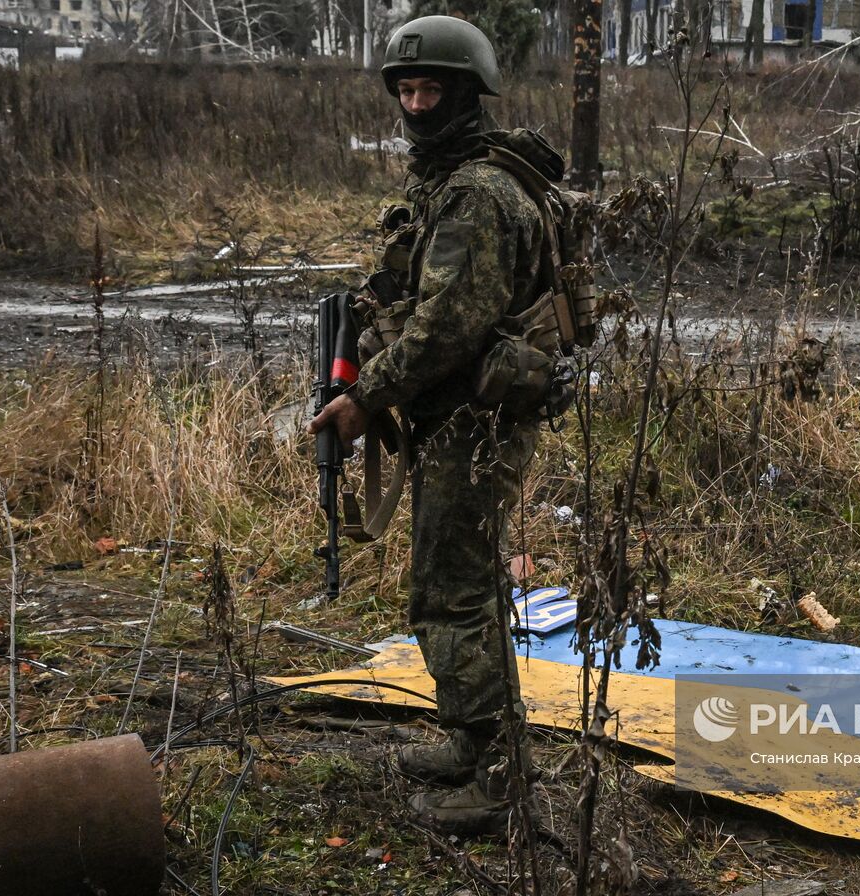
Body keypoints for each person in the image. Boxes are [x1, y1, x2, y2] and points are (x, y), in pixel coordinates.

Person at [307, 14, 563, 835]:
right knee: (452, 585)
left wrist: (363, 398)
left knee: (452, 595)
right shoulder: (451, 181)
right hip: (459, 415)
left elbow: (446, 330)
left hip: (475, 420)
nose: (416, 103)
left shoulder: (478, 194)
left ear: (467, 92)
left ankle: (499, 779)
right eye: (406, 89)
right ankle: (472, 741)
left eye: (431, 89)